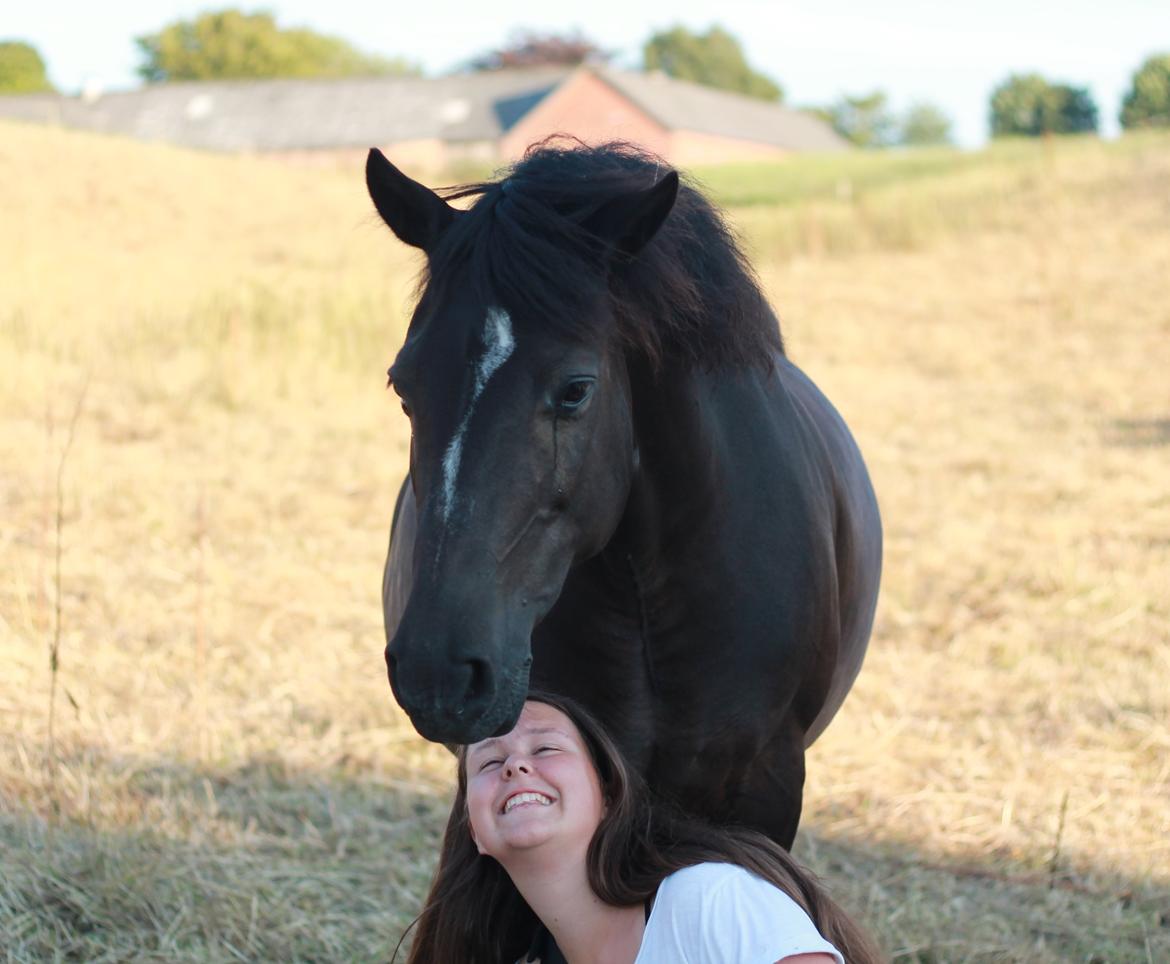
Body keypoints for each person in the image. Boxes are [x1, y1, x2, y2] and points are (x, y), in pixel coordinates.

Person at [399, 691, 882, 963]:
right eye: (489, 762)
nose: (516, 767)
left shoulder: (707, 897)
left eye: (545, 749)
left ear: (608, 796)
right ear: (475, 832)